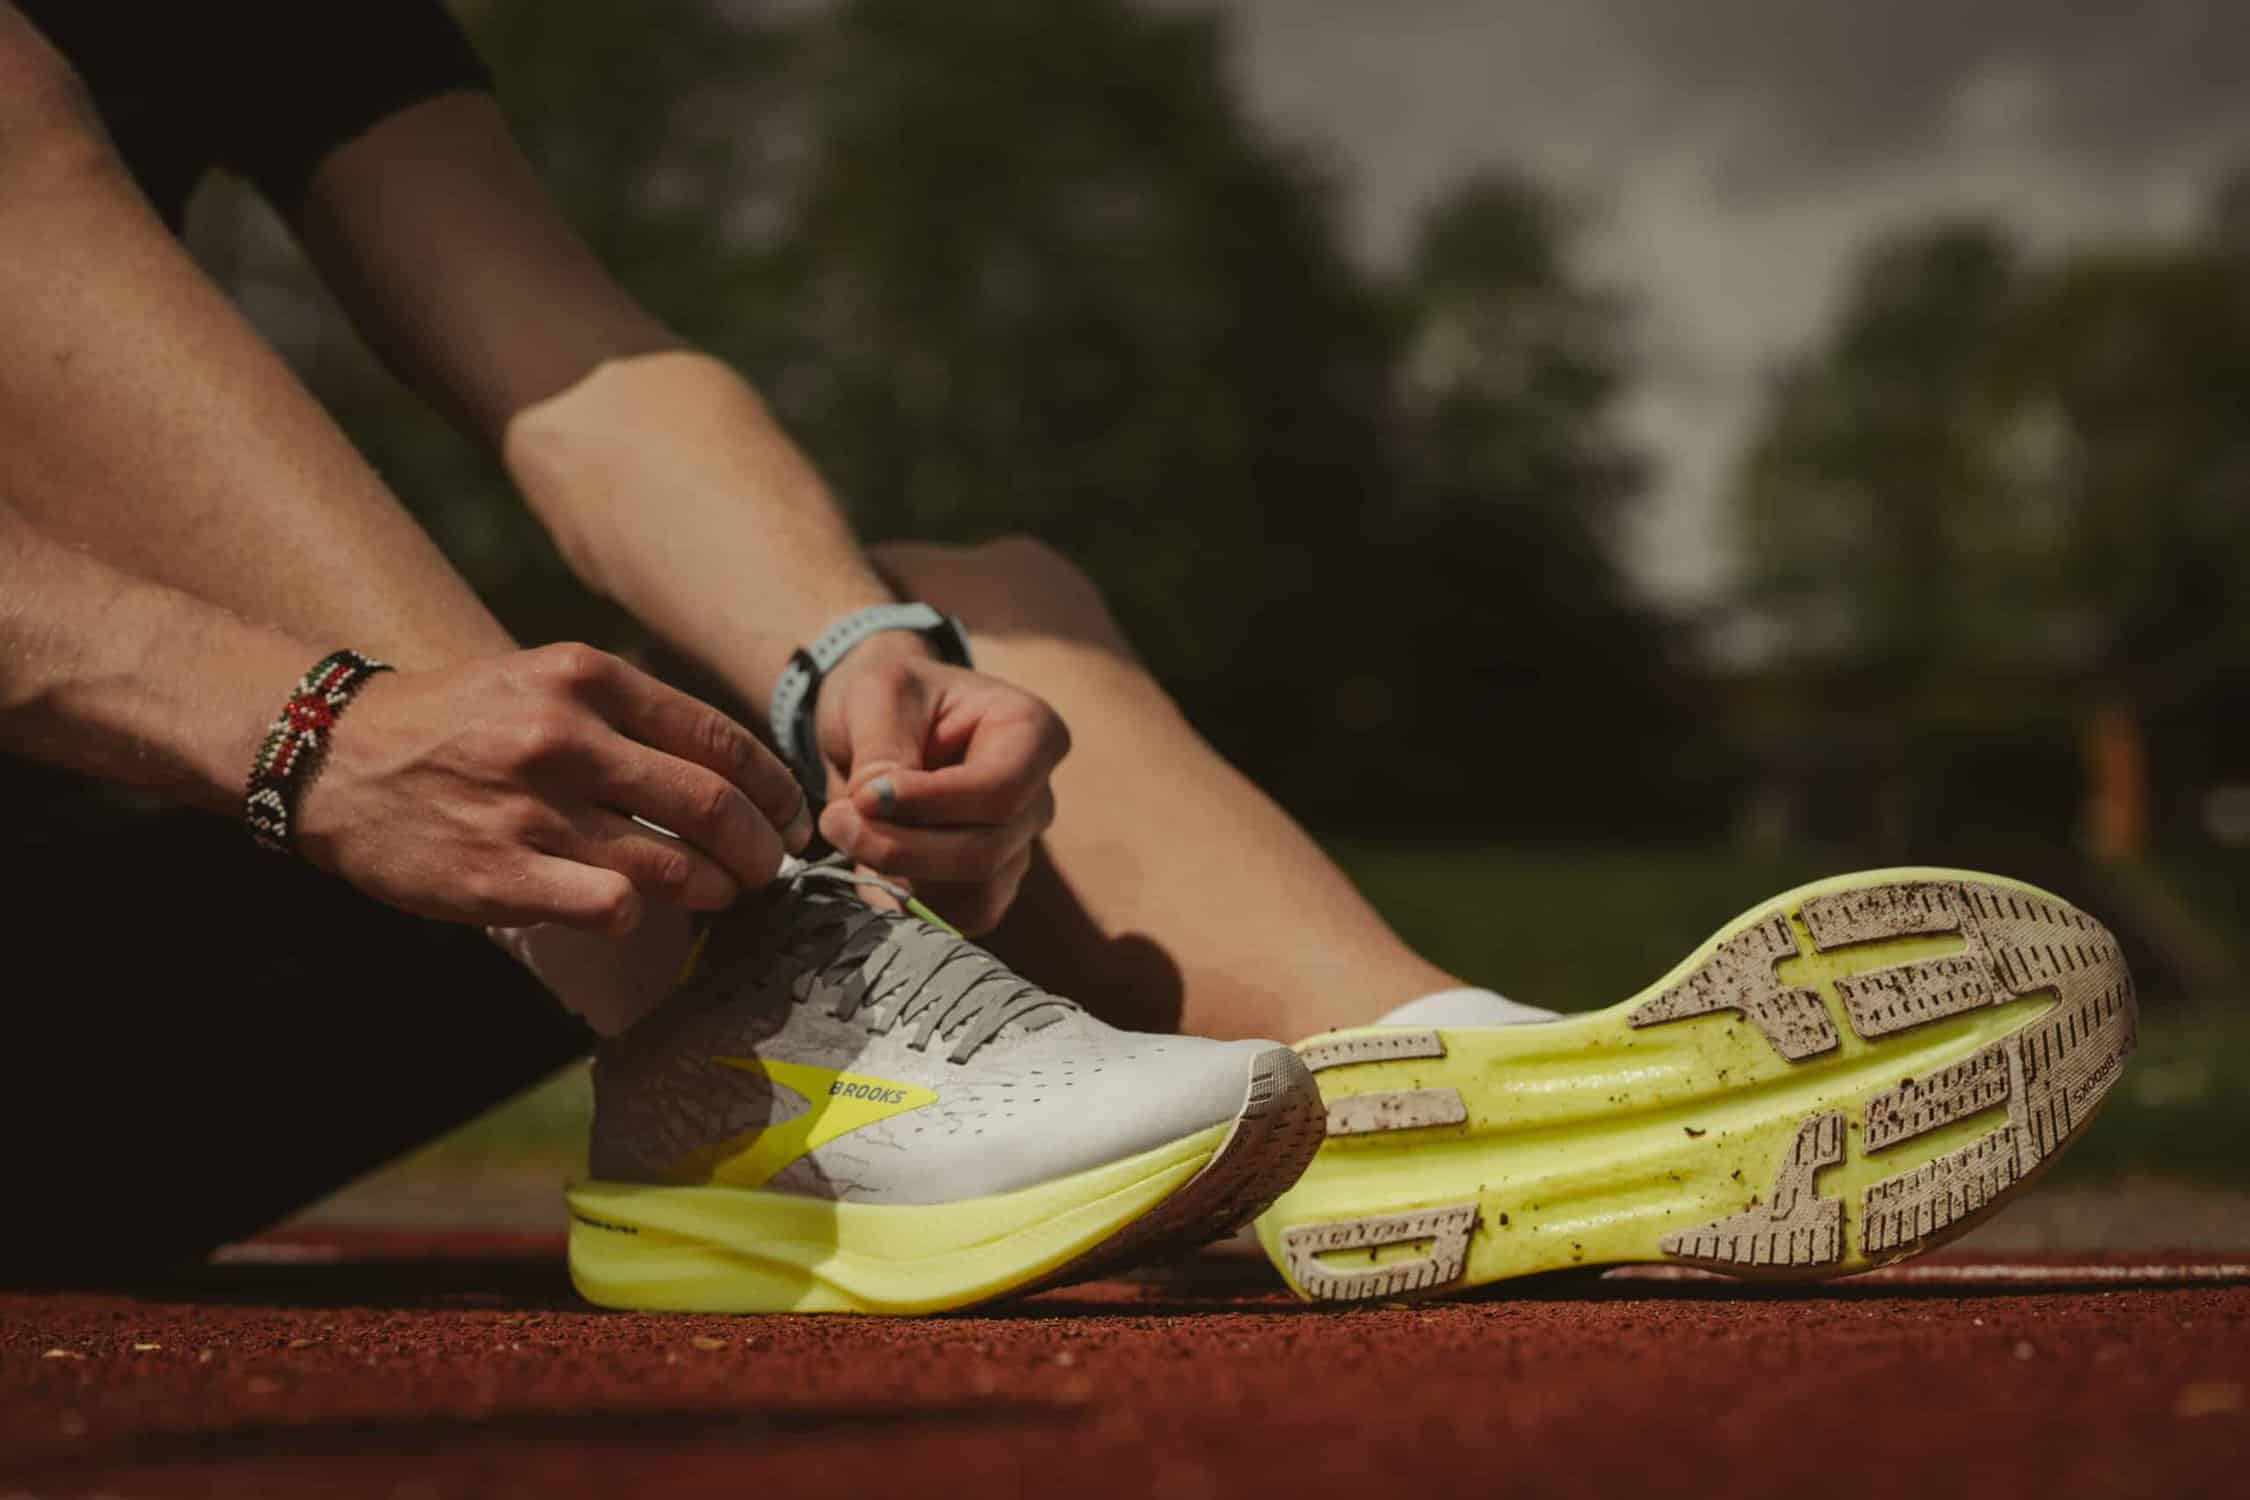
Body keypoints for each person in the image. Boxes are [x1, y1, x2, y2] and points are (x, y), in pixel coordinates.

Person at [0, 0, 2136, 1311]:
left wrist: (857, 660)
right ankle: (734, 1030)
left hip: (170, 979)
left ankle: (1422, 1081)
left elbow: (585, 373)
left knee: (978, 579)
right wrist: (303, 738)